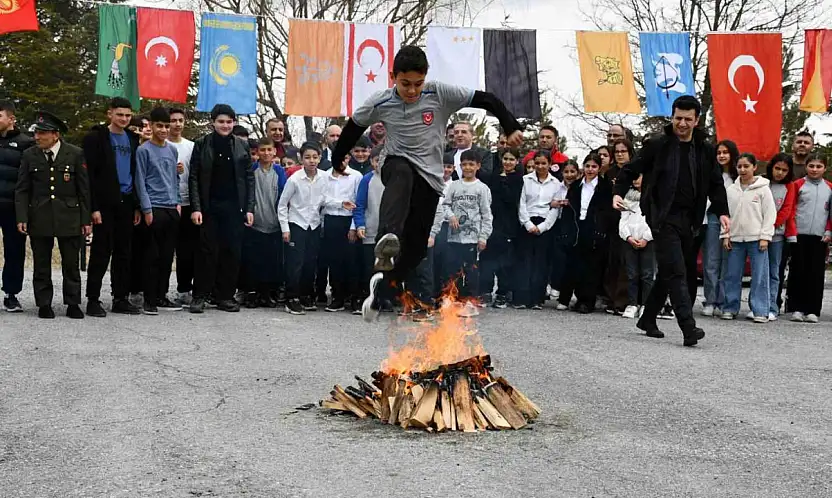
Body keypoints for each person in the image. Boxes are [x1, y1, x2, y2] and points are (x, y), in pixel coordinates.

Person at [330, 45, 523, 322]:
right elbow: (353, 128)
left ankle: (381, 289)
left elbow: (486, 99)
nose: (411, 91)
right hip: (395, 164)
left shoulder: (439, 93)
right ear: (393, 76)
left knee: (418, 249)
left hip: (430, 178)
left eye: (417, 84)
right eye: (405, 84)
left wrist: (510, 124)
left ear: (426, 77)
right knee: (402, 173)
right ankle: (388, 235)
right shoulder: (381, 101)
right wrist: (338, 158)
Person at [613, 96, 730, 347]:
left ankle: (647, 319)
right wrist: (617, 193)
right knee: (677, 271)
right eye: (678, 118)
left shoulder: (706, 150)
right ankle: (688, 327)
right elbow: (630, 170)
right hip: (662, 217)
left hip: (690, 220)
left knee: (668, 272)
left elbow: (715, 184)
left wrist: (722, 212)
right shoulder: (657, 145)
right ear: (672, 117)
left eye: (688, 119)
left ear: (697, 120)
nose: (683, 123)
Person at [15, 111, 91, 319]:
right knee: (41, 263)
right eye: (36, 133)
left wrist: (86, 220)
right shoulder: (30, 155)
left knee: (71, 264)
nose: (37, 137)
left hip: (70, 216)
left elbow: (83, 190)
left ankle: (73, 303)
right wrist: (22, 217)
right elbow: (22, 189)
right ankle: (44, 304)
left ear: (55, 135)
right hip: (39, 215)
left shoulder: (74, 154)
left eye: (42, 133)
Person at [188, 104, 255, 314]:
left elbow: (249, 178)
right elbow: (194, 178)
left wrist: (249, 208)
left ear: (234, 123)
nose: (225, 125)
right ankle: (200, 295)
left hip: (235, 208)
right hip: (209, 207)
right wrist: (196, 208)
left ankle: (225, 296)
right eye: (221, 121)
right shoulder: (202, 144)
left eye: (229, 121)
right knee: (206, 253)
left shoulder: (242, 146)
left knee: (231, 253)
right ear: (213, 122)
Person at [82, 97, 142, 317]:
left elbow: (136, 173)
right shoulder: (96, 138)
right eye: (120, 114)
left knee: (124, 252)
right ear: (110, 114)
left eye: (128, 115)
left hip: (127, 201)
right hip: (105, 203)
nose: (124, 119)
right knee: (101, 251)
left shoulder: (133, 139)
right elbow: (90, 176)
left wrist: (136, 205)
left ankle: (120, 297)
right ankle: (93, 299)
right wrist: (93, 207)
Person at [134, 107, 182, 315]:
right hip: (154, 207)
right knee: (151, 256)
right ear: (151, 126)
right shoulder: (143, 150)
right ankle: (149, 299)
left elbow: (174, 178)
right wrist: (146, 209)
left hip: (172, 207)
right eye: (159, 126)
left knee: (166, 256)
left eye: (166, 125)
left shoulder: (172, 150)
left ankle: (162, 295)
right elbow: (140, 181)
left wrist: (178, 202)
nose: (163, 129)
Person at [430, 149, 493, 308]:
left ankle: (470, 301)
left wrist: (483, 236)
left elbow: (486, 214)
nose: (468, 168)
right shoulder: (454, 186)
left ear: (478, 166)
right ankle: (450, 299)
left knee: (470, 271)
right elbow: (445, 205)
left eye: (471, 164)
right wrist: (451, 216)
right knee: (451, 269)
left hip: (472, 237)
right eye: (464, 164)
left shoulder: (482, 188)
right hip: (453, 237)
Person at [719, 153, 776, 323]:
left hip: (757, 239)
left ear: (754, 167)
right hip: (735, 239)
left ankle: (760, 310)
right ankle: (730, 308)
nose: (742, 170)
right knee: (732, 275)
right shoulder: (731, 190)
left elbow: (769, 214)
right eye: (739, 166)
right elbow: (726, 215)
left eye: (746, 166)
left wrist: (765, 236)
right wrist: (726, 235)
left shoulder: (763, 189)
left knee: (759, 276)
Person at [557, 154, 614, 314]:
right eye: (587, 166)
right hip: (577, 225)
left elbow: (606, 211)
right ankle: (570, 297)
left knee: (592, 266)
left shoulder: (605, 186)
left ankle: (586, 301)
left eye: (594, 167)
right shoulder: (576, 186)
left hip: (593, 227)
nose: (590, 170)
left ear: (599, 168)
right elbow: (569, 209)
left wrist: (601, 230)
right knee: (575, 263)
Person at [278, 142, 327, 315]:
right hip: (296, 224)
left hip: (313, 225)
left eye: (315, 157)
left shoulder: (324, 177)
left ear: (320, 158)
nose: (311, 161)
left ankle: (306, 294)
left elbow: (325, 201)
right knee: (295, 263)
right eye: (307, 157)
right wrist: (285, 228)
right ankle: (292, 298)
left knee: (310, 262)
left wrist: (341, 203)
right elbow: (282, 205)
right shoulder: (294, 179)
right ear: (300, 158)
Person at [785, 155, 831, 323]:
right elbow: (790, 210)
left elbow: (830, 214)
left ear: (824, 168)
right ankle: (796, 308)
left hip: (820, 237)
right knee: (798, 271)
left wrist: (829, 231)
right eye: (811, 165)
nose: (814, 169)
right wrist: (792, 232)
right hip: (799, 235)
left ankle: (813, 310)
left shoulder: (829, 188)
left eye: (819, 166)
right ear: (806, 167)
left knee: (816, 273)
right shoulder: (798, 185)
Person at [515, 151, 564, 310]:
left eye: (544, 163)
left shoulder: (556, 184)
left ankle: (537, 298)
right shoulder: (525, 180)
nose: (540, 166)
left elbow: (555, 209)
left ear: (550, 164)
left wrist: (542, 227)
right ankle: (522, 297)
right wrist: (528, 224)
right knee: (525, 261)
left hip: (545, 225)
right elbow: (521, 204)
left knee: (541, 263)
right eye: (537, 163)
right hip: (527, 223)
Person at [242, 137, 287, 308]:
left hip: (274, 224)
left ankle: (267, 294)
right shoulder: (252, 170)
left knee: (271, 261)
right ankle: (252, 293)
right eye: (262, 150)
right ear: (257, 152)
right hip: (255, 224)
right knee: (253, 260)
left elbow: (284, 197)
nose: (266, 153)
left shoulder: (280, 172)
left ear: (275, 151)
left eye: (269, 150)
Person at [479, 148, 524, 308]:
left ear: (517, 162)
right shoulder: (493, 177)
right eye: (505, 159)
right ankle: (485, 291)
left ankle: (503, 293)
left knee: (505, 262)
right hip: (492, 223)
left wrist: (505, 182)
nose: (508, 162)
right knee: (487, 259)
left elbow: (512, 199)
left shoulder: (519, 179)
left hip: (509, 225)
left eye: (512, 159)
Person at [0, 101, 34, 312]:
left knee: (14, 250)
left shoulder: (26, 144)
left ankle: (11, 294)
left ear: (11, 119)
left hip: (13, 206)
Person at [321, 145, 362, 313]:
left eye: (345, 158)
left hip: (349, 221)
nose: (342, 161)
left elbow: (358, 203)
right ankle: (337, 297)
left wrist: (354, 226)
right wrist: (338, 204)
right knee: (334, 261)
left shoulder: (356, 176)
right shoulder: (324, 176)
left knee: (351, 261)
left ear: (349, 158)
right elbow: (321, 199)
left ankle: (354, 298)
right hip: (331, 220)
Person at [700, 139, 738, 317]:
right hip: (714, 218)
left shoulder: (738, 176)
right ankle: (710, 300)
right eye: (719, 153)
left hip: (735, 221)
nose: (722, 156)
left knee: (728, 263)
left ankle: (724, 302)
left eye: (725, 152)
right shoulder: (709, 174)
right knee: (711, 262)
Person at [603, 138, 636, 315]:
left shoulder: (636, 171)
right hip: (613, 221)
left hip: (632, 221)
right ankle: (610, 298)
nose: (620, 154)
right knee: (612, 261)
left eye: (623, 151)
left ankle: (623, 301)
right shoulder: (609, 173)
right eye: (617, 152)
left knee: (627, 263)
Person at [168, 108, 197, 307]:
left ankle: (184, 289)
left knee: (187, 251)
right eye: (173, 121)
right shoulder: (161, 144)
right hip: (167, 203)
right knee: (165, 249)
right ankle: (157, 290)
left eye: (180, 120)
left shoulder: (192, 146)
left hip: (188, 203)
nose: (177, 124)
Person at [761, 153, 795, 321]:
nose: (780, 173)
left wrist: (770, 226)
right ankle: (758, 305)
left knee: (774, 272)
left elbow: (786, 211)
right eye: (777, 168)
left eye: (784, 170)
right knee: (759, 272)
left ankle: (772, 306)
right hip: (758, 234)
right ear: (771, 167)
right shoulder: (762, 183)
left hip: (776, 236)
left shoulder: (789, 187)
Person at [353, 147, 386, 315]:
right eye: (376, 160)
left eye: (383, 159)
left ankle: (384, 298)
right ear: (371, 161)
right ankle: (368, 299)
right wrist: (359, 225)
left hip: (389, 233)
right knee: (369, 267)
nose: (379, 163)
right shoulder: (367, 180)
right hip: (370, 231)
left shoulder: (397, 180)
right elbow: (359, 206)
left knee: (386, 268)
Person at [618, 174, 654, 319]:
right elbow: (623, 220)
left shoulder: (654, 196)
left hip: (648, 240)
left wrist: (646, 237)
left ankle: (646, 304)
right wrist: (628, 237)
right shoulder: (627, 197)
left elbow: (656, 219)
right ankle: (632, 304)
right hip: (630, 240)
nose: (635, 179)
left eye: (639, 176)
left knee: (647, 274)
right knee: (632, 273)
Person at [549, 159, 581, 300]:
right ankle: (555, 284)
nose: (569, 175)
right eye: (566, 172)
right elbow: (548, 201)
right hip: (557, 223)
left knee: (570, 259)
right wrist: (554, 203)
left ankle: (567, 291)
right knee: (557, 258)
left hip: (573, 225)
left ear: (578, 173)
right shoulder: (557, 186)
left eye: (572, 171)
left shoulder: (580, 188)